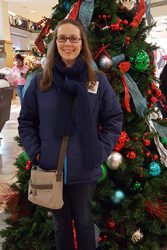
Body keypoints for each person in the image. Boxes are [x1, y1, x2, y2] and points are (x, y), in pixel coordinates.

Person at [18, 19, 123, 250]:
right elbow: (26, 122)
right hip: (49, 167)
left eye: (74, 38)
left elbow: (113, 119)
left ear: (81, 42)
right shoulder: (40, 82)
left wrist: (101, 149)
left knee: (85, 222)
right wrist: (36, 153)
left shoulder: (97, 81)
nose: (68, 43)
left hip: (84, 167)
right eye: (62, 38)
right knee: (60, 225)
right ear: (55, 43)